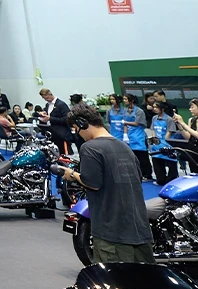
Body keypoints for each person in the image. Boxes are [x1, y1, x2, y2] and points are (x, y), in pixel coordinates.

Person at [57, 104, 154, 263]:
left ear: (82, 124)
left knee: (112, 277)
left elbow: (92, 183)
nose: (78, 134)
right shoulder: (125, 148)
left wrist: (72, 175)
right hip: (139, 230)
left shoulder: (90, 148)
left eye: (76, 129)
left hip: (111, 233)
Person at [122, 93, 152, 180]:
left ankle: (147, 174)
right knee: (134, 157)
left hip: (139, 136)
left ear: (131, 100)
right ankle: (138, 174)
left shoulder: (139, 111)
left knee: (142, 157)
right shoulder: (125, 110)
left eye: (125, 99)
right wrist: (125, 135)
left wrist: (125, 122)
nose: (124, 101)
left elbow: (136, 123)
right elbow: (124, 124)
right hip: (130, 136)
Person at [149, 102, 178, 184]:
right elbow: (153, 129)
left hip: (167, 144)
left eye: (156, 107)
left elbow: (169, 133)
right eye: (153, 107)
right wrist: (153, 141)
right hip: (156, 143)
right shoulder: (154, 118)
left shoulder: (169, 119)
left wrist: (162, 143)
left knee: (171, 163)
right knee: (156, 161)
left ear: (162, 108)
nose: (154, 109)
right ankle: (160, 180)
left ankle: (171, 180)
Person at [36, 89, 71, 154]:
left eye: (46, 98)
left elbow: (67, 119)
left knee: (63, 155)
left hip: (61, 135)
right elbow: (49, 116)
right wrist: (44, 115)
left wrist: (50, 118)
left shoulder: (61, 104)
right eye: (44, 98)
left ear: (50, 94)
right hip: (52, 133)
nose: (45, 100)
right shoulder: (47, 105)